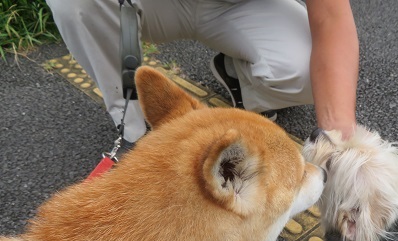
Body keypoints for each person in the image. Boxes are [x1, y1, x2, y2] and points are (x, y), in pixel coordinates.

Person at [46, 0, 358, 143]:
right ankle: (133, 129)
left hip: (239, 6)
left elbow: (331, 18)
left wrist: (338, 136)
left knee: (306, 72)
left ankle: (237, 76)